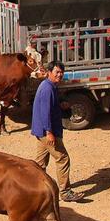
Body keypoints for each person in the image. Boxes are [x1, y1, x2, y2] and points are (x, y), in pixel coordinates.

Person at [31, 61, 84, 202]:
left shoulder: (50, 86)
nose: (59, 75)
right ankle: (65, 192)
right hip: (46, 132)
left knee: (40, 163)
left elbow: (50, 108)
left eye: (61, 72)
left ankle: (33, 189)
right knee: (63, 158)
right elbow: (45, 113)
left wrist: (61, 105)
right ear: (49, 72)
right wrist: (49, 132)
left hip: (40, 130)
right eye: (57, 72)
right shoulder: (47, 88)